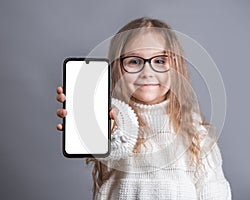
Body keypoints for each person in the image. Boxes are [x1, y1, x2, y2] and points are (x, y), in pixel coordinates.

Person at [56, 17, 231, 200]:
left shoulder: (196, 131)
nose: (147, 73)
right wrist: (101, 126)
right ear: (118, 68)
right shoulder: (117, 116)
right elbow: (118, 143)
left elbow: (214, 190)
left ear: (176, 67)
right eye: (134, 62)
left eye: (160, 61)